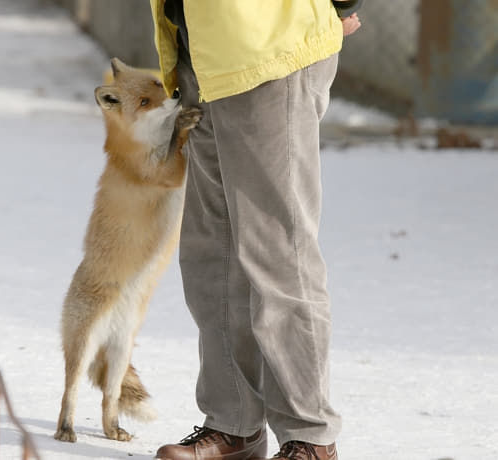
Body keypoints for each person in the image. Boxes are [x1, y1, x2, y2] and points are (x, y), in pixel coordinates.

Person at [148, 1, 362, 459]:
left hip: (268, 46)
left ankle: (310, 437)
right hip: (201, 51)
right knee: (214, 254)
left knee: (278, 252)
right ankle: (233, 428)